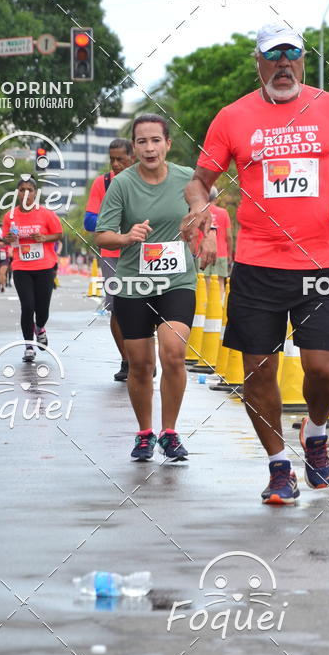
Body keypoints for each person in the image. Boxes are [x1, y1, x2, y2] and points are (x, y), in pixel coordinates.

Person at [183, 22, 329, 505]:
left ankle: (314, 430)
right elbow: (199, 180)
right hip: (257, 263)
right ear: (259, 62)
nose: (284, 64)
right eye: (275, 56)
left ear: (304, 60)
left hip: (322, 262)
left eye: (293, 55)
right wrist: (200, 209)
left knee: (325, 371)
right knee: (258, 371)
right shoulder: (232, 117)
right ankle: (277, 467)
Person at [95, 113, 215, 463]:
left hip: (177, 279)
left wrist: (208, 237)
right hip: (133, 283)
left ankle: (171, 432)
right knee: (141, 365)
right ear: (134, 148)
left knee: (173, 353)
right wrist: (126, 236)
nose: (149, 148)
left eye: (155, 140)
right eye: (142, 142)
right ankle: (145, 433)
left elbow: (207, 211)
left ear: (168, 144)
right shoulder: (122, 184)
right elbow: (102, 234)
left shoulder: (186, 180)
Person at [84, 137, 134, 381]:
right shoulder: (102, 183)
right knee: (117, 308)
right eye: (111, 159)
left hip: (144, 255)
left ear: (132, 158)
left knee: (147, 306)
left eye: (120, 159)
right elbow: (89, 221)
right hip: (113, 254)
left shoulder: (146, 181)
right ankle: (126, 360)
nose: (115, 164)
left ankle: (144, 358)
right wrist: (117, 222)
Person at [1, 176, 63, 362]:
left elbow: (58, 234)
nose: (26, 193)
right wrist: (9, 239)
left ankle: (40, 328)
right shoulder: (9, 216)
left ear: (35, 193)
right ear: (18, 193)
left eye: (30, 190)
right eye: (22, 190)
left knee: (42, 310)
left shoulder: (46, 214)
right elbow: (5, 237)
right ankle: (29, 346)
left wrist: (44, 238)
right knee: (28, 306)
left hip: (44, 267)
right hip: (21, 267)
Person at [196, 187, 232, 300]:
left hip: (203, 253)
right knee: (220, 282)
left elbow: (195, 235)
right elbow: (229, 236)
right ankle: (218, 309)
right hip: (221, 252)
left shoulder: (200, 212)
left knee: (204, 281)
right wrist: (230, 254)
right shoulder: (223, 212)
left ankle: (206, 310)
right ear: (215, 198)